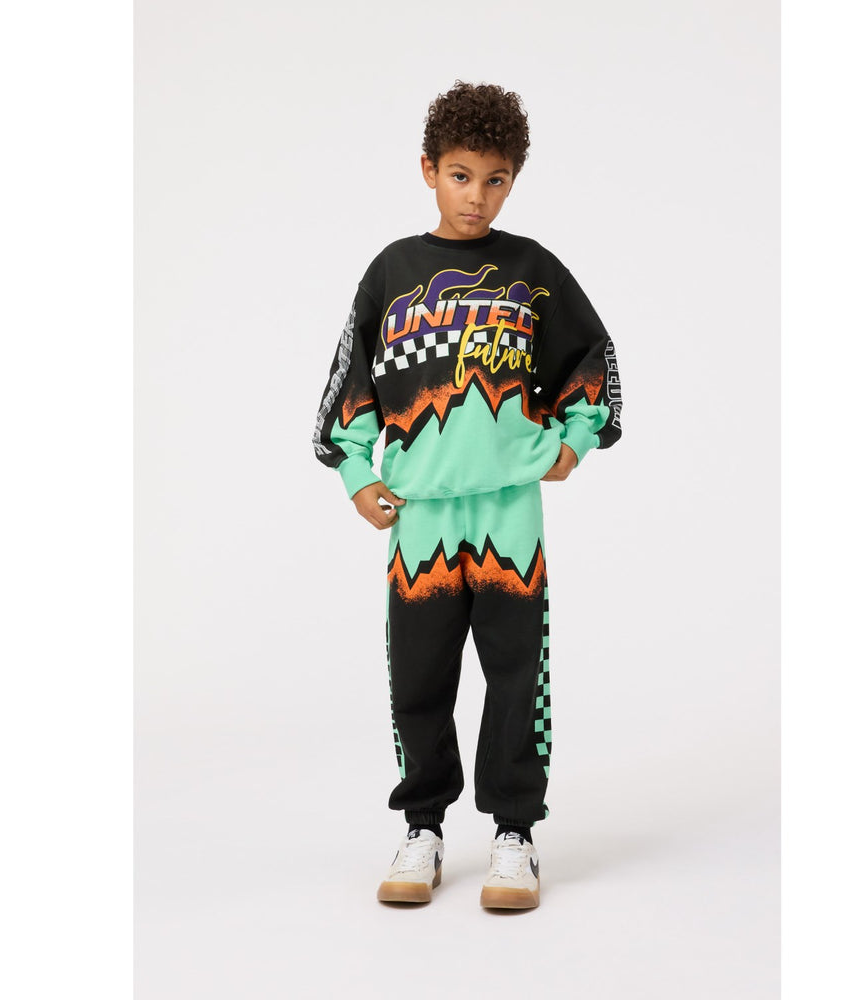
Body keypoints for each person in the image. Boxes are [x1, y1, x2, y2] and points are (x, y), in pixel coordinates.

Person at [312, 80, 622, 909]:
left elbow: (593, 354)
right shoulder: (392, 272)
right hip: (419, 517)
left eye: (495, 179)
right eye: (459, 175)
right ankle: (423, 829)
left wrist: (574, 441)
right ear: (428, 170)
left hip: (509, 511)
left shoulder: (532, 270)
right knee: (418, 676)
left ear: (513, 179)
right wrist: (356, 473)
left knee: (517, 675)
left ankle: (515, 835)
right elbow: (348, 379)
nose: (476, 195)